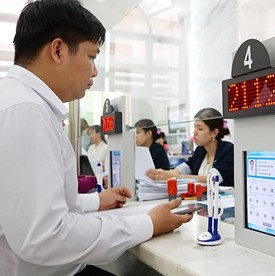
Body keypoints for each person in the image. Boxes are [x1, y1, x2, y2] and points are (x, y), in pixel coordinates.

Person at [0, 1, 192, 275]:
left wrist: (97, 200)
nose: (94, 71)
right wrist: (147, 224)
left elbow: (36, 205)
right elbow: (44, 236)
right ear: (57, 50)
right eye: (91, 57)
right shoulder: (26, 112)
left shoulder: (21, 102)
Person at [146, 108, 234, 187]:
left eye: (200, 129)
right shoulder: (200, 150)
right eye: (194, 127)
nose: (195, 132)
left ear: (214, 132)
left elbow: (213, 179)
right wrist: (162, 174)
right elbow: (185, 168)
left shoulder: (228, 150)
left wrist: (174, 176)